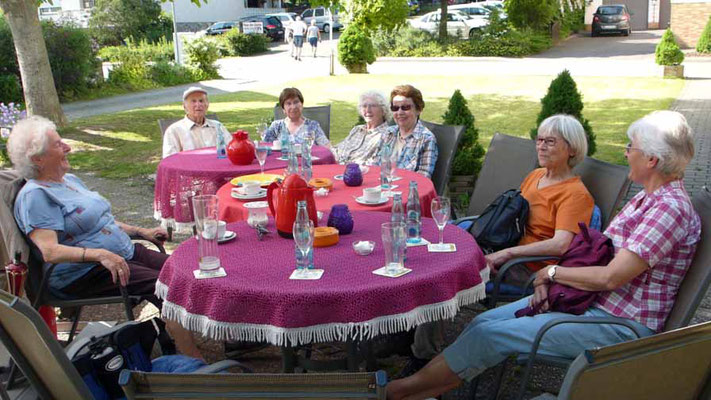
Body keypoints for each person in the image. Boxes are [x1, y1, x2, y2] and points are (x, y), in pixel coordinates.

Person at [387, 110, 700, 400]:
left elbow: (610, 276)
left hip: (617, 323)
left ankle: (398, 391)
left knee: (491, 335)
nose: (626, 153)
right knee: (483, 322)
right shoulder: (647, 199)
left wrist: (550, 274)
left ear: (652, 160)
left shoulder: (668, 209)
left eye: (631, 148)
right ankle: (423, 389)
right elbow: (593, 256)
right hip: (587, 301)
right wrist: (550, 283)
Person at [9, 116, 203, 360]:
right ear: (37, 159)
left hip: (122, 252)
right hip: (84, 272)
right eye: (58, 145)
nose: (68, 147)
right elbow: (50, 251)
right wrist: (99, 254)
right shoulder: (35, 196)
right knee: (167, 285)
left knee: (187, 270)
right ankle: (190, 356)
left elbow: (101, 220)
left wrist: (141, 231)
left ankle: (205, 330)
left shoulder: (68, 180)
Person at [484, 114, 595, 280]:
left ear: (572, 150)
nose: (541, 147)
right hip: (506, 248)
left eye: (550, 141)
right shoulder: (536, 175)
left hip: (530, 267)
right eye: (539, 140)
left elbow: (560, 245)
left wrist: (506, 254)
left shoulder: (576, 194)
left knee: (461, 268)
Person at [379, 85, 438, 179]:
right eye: (395, 108)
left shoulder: (426, 139)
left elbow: (423, 177)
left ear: (419, 109)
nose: (399, 112)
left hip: (405, 189)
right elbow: (375, 166)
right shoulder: (388, 133)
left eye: (405, 107)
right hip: (381, 186)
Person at [162, 87, 230, 158]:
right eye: (193, 101)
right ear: (184, 106)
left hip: (217, 167)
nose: (198, 105)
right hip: (189, 168)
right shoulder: (174, 130)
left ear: (207, 105)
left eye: (201, 101)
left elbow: (232, 148)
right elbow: (170, 159)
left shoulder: (217, 126)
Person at [333, 90, 390, 165]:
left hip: (359, 173)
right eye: (364, 106)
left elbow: (374, 163)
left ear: (383, 110)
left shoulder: (387, 135)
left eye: (373, 106)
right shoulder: (357, 129)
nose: (367, 110)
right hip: (336, 168)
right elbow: (338, 149)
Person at [262, 87, 330, 148]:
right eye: (288, 103)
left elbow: (327, 147)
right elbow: (264, 148)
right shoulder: (276, 126)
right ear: (283, 109)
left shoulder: (312, 126)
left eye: (296, 102)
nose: (293, 107)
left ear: (302, 104)